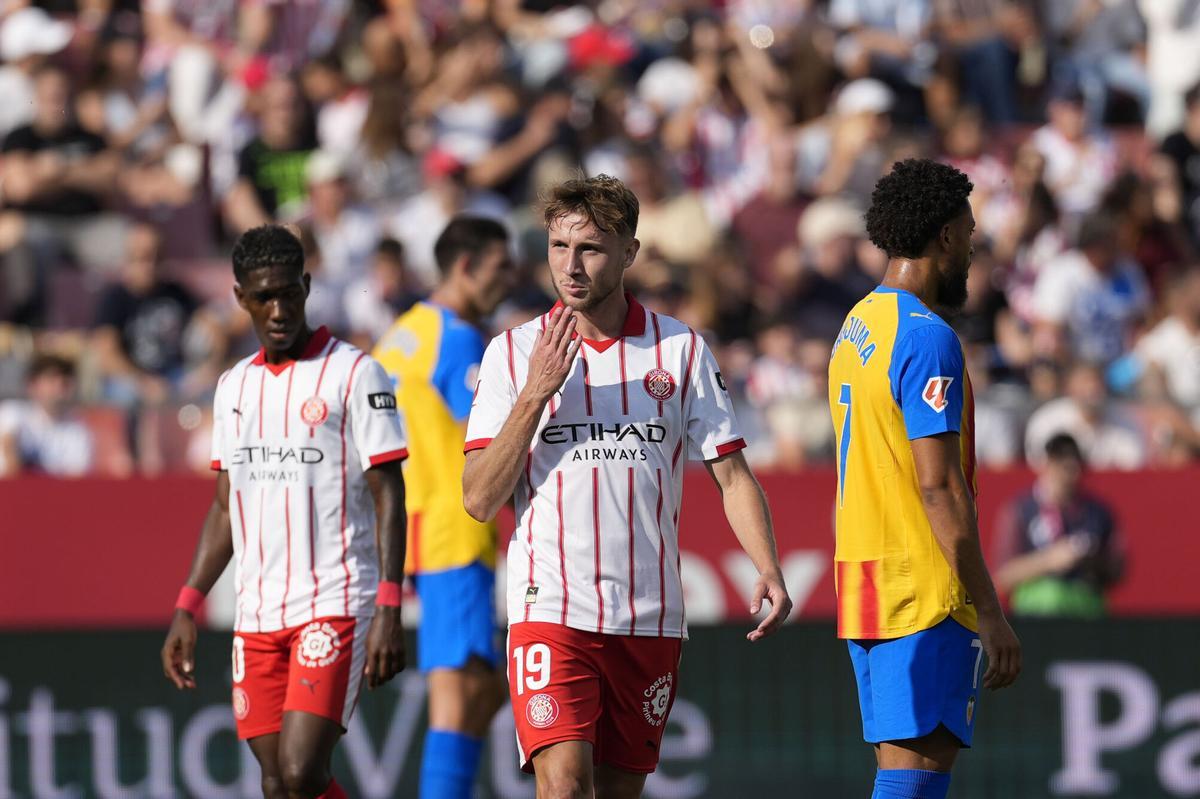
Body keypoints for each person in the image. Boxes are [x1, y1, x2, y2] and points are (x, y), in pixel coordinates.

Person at [461, 175, 792, 797]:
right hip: (551, 606)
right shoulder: (512, 353)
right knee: (563, 788)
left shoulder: (682, 348)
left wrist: (769, 568)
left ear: (629, 253)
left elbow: (732, 474)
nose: (570, 265)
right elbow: (479, 498)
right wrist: (536, 392)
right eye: (558, 247)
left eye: (589, 248)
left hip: (649, 615)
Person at [160, 225, 409, 799]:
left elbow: (389, 492)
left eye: (289, 293)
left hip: (335, 600)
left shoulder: (355, 373)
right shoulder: (233, 388)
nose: (279, 309)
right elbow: (227, 506)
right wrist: (188, 605)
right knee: (278, 784)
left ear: (308, 285)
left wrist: (389, 607)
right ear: (240, 297)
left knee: (300, 769)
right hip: (257, 612)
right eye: (264, 296)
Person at [828, 159, 1021, 799]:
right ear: (944, 237)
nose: (971, 245)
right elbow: (938, 486)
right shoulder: (927, 336)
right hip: (923, 589)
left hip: (867, 581)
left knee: (898, 771)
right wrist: (990, 613)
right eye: (968, 231)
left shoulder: (857, 325)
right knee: (916, 782)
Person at [373, 216, 516, 798]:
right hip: (455, 530)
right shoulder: (459, 339)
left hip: (417, 528)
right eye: (500, 267)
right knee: (460, 694)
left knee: (478, 683)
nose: (509, 279)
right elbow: (491, 435)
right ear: (465, 267)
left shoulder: (400, 335)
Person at [995, 434, 1125, 618]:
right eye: (1063, 467)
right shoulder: (1021, 511)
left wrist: (1090, 560)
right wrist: (1048, 561)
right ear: (1047, 465)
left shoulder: (1098, 513)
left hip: (1086, 611)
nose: (1071, 475)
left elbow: (1118, 570)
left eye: (1076, 468)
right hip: (1035, 614)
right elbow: (1002, 576)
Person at [0, 354, 93, 477]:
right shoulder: (12, 412)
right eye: (51, 380)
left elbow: (75, 481)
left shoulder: (78, 431)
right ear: (32, 385)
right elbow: (9, 456)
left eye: (65, 380)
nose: (59, 387)